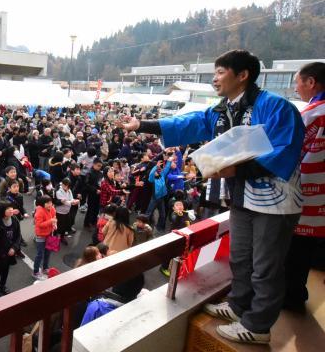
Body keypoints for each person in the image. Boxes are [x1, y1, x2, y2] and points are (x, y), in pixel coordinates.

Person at [123, 50, 304, 344]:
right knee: (241, 257)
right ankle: (239, 306)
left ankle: (258, 325)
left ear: (242, 75)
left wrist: (234, 169)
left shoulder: (277, 107)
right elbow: (190, 122)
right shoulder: (223, 110)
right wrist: (143, 125)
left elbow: (285, 150)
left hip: (275, 199)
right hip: (241, 194)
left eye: (220, 72)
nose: (215, 79)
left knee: (266, 265)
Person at [284, 62, 325, 311]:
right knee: (308, 250)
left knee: (295, 251)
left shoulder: (310, 114)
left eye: (298, 82)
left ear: (311, 82)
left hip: (306, 196)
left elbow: (288, 152)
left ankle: (291, 297)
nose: (296, 88)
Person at [0, 201, 21, 297]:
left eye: (11, 207)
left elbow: (18, 236)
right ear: (2, 211)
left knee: (6, 270)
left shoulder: (14, 219)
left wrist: (14, 248)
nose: (11, 210)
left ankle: (2, 286)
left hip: (10, 251)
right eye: (8, 208)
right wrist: (0, 251)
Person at [33, 195, 57, 281]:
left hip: (50, 233)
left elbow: (54, 217)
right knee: (40, 254)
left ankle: (45, 268)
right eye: (47, 203)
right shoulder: (39, 211)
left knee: (48, 252)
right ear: (43, 204)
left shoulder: (52, 208)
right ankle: (35, 271)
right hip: (41, 235)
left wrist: (54, 224)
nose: (50, 204)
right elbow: (39, 225)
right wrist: (50, 222)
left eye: (50, 202)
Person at [146, 158, 172, 232]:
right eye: (157, 169)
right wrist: (156, 166)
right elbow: (151, 174)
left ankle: (159, 228)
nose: (158, 170)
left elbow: (167, 168)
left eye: (159, 169)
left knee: (163, 215)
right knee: (148, 214)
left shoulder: (162, 174)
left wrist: (169, 160)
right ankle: (142, 227)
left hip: (161, 198)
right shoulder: (152, 178)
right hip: (155, 199)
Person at [83, 158, 103, 229]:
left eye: (101, 166)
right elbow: (86, 184)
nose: (100, 167)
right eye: (98, 166)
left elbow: (101, 183)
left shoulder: (101, 173)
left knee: (97, 209)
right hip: (91, 194)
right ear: (94, 164)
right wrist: (95, 190)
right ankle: (87, 223)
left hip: (99, 194)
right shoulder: (89, 173)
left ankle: (94, 221)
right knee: (90, 209)